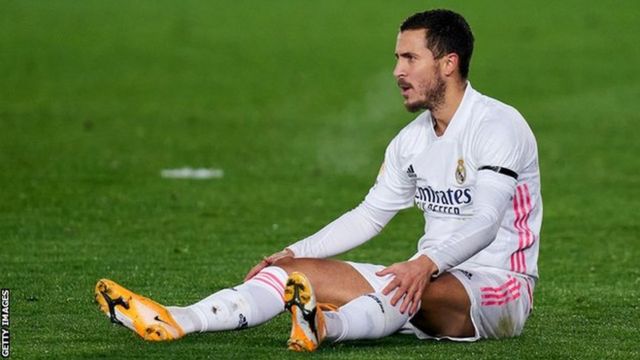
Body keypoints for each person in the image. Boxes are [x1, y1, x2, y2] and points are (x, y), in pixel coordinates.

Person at [95, 9, 542, 351]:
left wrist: (425, 264)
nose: (397, 71)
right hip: (424, 277)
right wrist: (293, 252)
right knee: (293, 274)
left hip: (498, 287)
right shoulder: (411, 142)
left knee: (408, 288)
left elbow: (485, 222)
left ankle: (327, 326)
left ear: (448, 63)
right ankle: (179, 318)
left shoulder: (498, 126)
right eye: (396, 58)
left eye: (410, 58)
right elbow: (369, 216)